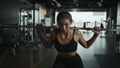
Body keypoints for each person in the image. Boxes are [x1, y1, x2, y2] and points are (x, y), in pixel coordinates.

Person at [35, 11, 101, 68]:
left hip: (74, 61)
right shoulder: (54, 33)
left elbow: (86, 45)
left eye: (66, 24)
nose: (63, 28)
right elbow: (47, 45)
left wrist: (95, 35)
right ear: (57, 23)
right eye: (60, 24)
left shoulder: (76, 33)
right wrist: (39, 32)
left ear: (71, 22)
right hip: (60, 61)